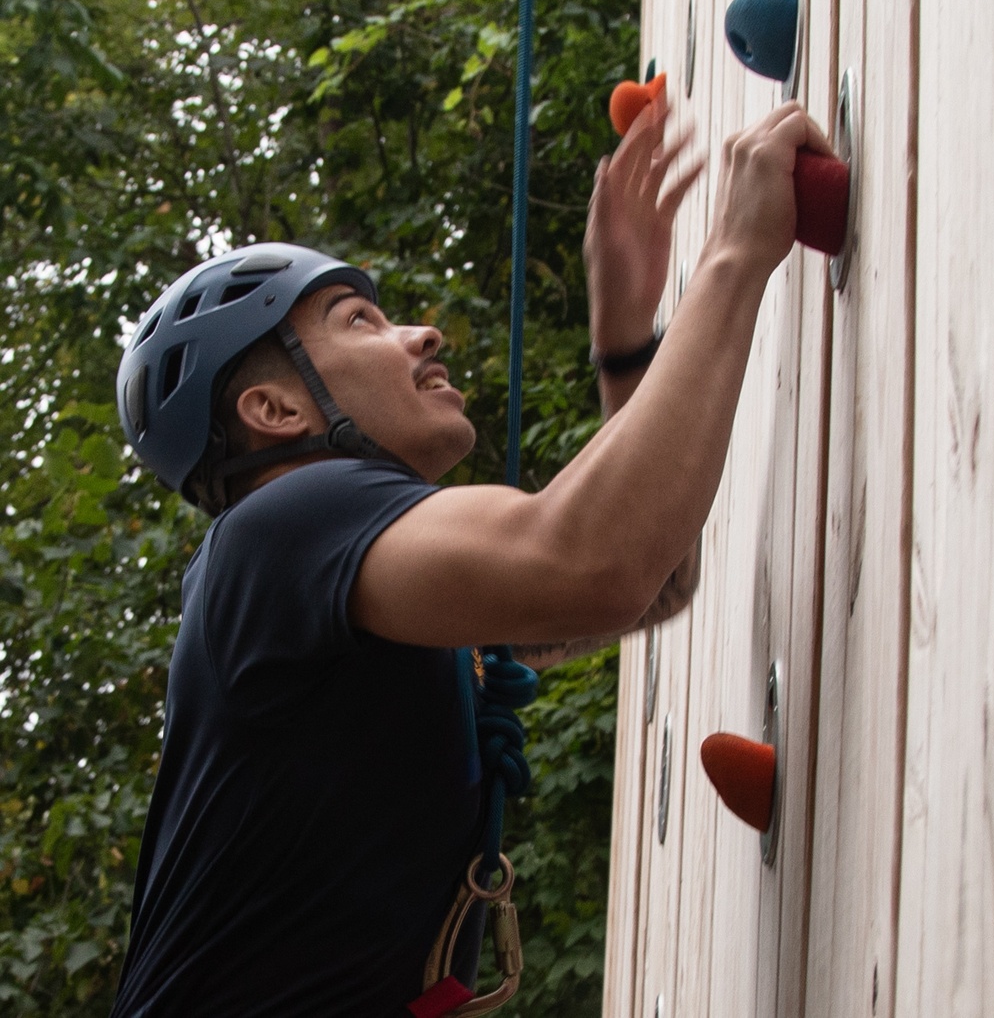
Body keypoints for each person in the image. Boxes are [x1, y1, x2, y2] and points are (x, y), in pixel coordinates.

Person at [110, 93, 832, 1018]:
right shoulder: (281, 526)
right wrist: (735, 252)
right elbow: (595, 566)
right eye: (358, 322)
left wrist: (627, 343)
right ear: (275, 413)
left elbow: (644, 583)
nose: (422, 334)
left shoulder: (331, 593)